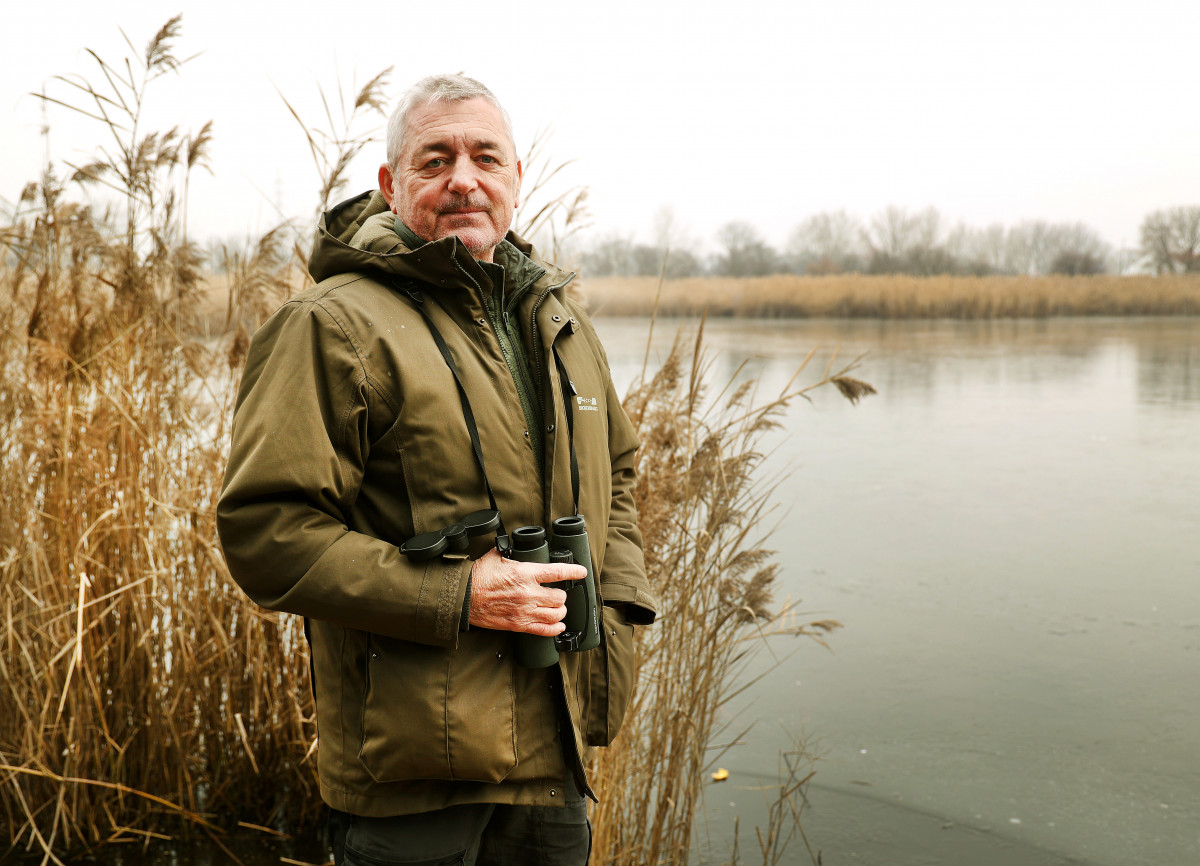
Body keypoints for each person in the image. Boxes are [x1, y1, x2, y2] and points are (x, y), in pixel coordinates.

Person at [216, 74, 657, 865]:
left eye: (486, 157)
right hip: (413, 779)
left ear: (517, 178)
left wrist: (614, 607)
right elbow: (266, 534)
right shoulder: (331, 325)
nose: (464, 178)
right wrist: (461, 593)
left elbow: (618, 471)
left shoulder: (557, 319)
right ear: (390, 185)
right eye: (435, 159)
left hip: (552, 765)